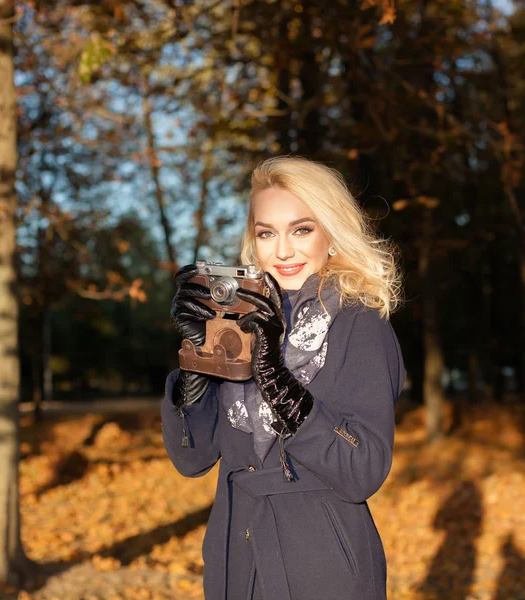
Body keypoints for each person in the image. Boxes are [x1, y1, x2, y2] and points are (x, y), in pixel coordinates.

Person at [162, 156, 405, 600]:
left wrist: (275, 377)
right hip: (236, 555)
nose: (283, 250)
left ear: (331, 233)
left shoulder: (360, 324)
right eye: (266, 233)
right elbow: (191, 459)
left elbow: (363, 470)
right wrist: (196, 356)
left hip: (323, 563)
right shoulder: (236, 325)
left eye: (301, 229)